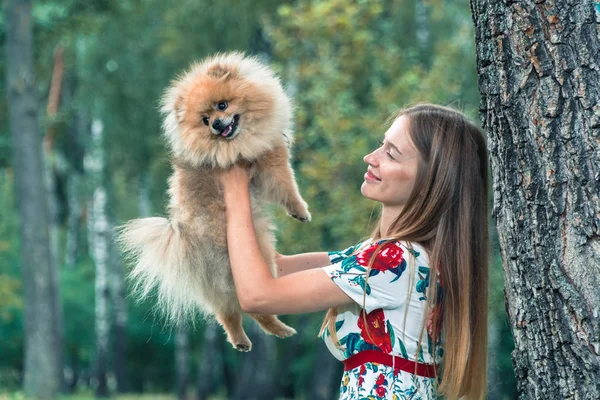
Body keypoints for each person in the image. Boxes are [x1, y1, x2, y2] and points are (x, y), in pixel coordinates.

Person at [219, 103, 489, 400]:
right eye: (380, 145)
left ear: (430, 181)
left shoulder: (395, 261)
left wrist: (235, 192)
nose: (370, 157)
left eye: (391, 154)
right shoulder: (384, 256)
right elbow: (274, 268)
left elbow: (258, 294)